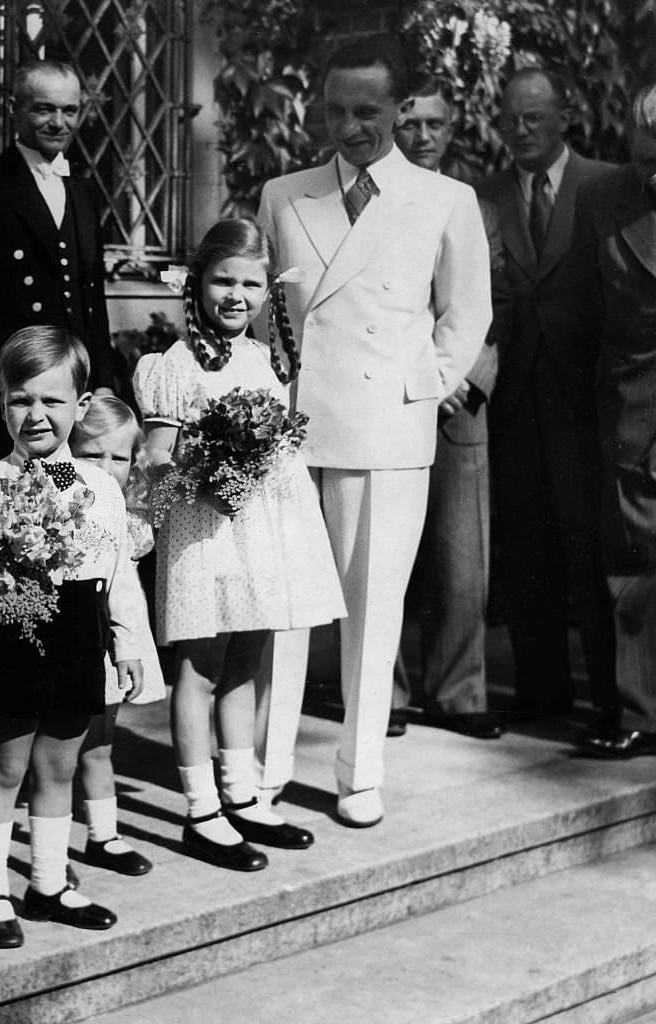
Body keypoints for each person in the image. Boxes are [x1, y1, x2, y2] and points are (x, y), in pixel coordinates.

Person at [257, 34, 490, 827]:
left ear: (400, 109)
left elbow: (467, 314)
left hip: (385, 427)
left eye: (367, 111)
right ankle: (267, 763)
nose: (350, 127)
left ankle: (360, 772)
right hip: (295, 425)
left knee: (371, 604)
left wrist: (417, 386)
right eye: (335, 110)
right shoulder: (285, 193)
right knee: (286, 601)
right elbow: (264, 316)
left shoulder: (442, 198)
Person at [133, 218, 346, 870]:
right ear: (196, 284)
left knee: (247, 658)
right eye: (224, 280)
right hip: (207, 533)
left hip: (264, 531)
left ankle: (242, 792)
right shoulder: (173, 366)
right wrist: (148, 524)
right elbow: (159, 461)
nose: (236, 295)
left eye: (251, 283)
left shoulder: (261, 357)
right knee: (200, 665)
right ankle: (201, 807)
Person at [0, 327, 141, 950]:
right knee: (6, 763)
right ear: (1, 404)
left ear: (80, 407)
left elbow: (116, 573)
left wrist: (126, 641)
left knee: (59, 764)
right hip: (13, 634)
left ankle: (49, 883)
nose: (36, 415)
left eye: (52, 401)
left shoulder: (96, 487)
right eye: (21, 399)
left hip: (79, 632)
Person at [475, 67, 616, 723]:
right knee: (526, 547)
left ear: (564, 117)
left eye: (534, 118)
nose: (521, 130)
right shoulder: (484, 196)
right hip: (514, 405)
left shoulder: (606, 185)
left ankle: (613, 695)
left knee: (591, 551)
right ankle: (540, 692)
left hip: (585, 404)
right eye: (510, 119)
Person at [387, 79, 510, 740]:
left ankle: (459, 693)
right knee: (387, 552)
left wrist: (463, 378)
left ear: (453, 129)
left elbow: (504, 303)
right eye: (411, 124)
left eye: (436, 124)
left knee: (464, 560)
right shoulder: (375, 200)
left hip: (463, 401)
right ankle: (384, 693)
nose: (423, 136)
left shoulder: (475, 205)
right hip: (393, 400)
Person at [0, 59, 114, 480]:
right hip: (9, 387)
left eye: (69, 111)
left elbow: (92, 298)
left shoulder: (83, 192)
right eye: (43, 109)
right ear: (15, 108)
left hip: (66, 387)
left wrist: (101, 382)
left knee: (68, 505)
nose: (58, 122)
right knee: (2, 504)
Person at [571, 84, 656, 757]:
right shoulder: (602, 198)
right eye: (642, 152)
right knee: (631, 564)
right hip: (630, 405)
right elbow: (581, 311)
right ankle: (637, 711)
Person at [70, 395, 165, 876]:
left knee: (101, 741)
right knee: (57, 743)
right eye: (92, 454)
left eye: (119, 457)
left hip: (117, 637)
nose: (106, 467)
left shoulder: (131, 511)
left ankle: (103, 835)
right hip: (75, 637)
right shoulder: (67, 499)